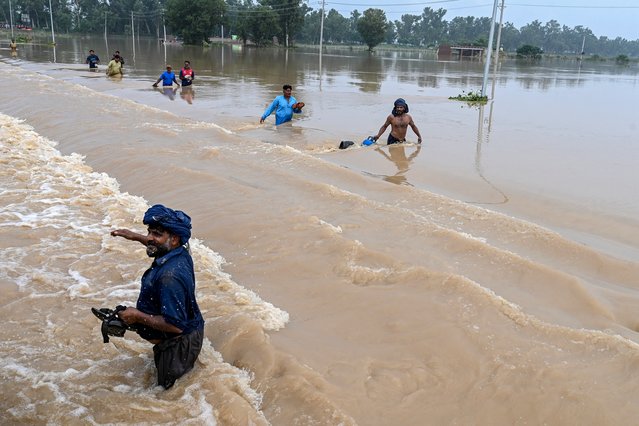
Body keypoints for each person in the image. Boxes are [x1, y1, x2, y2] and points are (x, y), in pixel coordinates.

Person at [110, 204, 205, 389]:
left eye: (156, 235)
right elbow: (159, 244)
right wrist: (135, 237)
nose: (150, 239)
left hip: (178, 346)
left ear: (174, 239)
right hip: (187, 331)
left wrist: (136, 316)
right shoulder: (180, 251)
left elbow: (176, 326)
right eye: (149, 232)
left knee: (167, 396)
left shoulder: (170, 277)